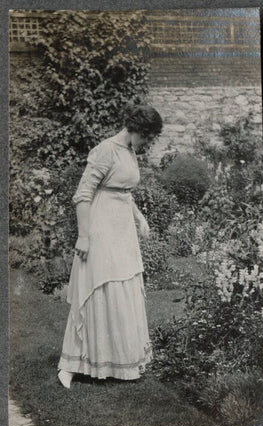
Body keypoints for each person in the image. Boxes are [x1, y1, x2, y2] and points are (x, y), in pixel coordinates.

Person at [57, 104, 163, 388]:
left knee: (123, 287)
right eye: (147, 136)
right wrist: (84, 236)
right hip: (101, 225)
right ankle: (73, 364)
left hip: (122, 229)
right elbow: (83, 194)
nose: (148, 142)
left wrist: (140, 219)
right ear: (137, 129)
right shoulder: (106, 150)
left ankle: (118, 362)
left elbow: (124, 193)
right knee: (101, 286)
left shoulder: (130, 151)